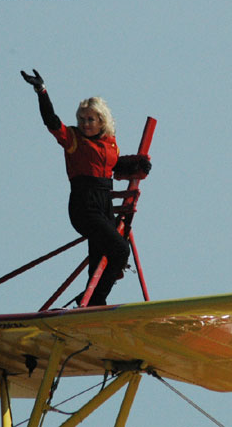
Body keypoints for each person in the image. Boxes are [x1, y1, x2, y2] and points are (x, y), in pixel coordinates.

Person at [21, 69, 150, 306]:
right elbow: (51, 121)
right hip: (84, 205)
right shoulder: (73, 139)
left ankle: (91, 303)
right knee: (120, 251)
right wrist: (41, 91)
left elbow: (113, 166)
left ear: (102, 121)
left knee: (101, 257)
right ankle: (95, 300)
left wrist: (137, 164)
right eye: (82, 119)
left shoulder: (110, 143)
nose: (85, 124)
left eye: (90, 119)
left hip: (104, 205)